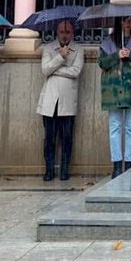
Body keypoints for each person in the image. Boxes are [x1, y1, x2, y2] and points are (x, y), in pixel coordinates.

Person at [99, 16, 131, 177]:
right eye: (124, 21)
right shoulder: (108, 42)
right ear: (118, 23)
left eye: (130, 21)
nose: (127, 24)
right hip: (113, 90)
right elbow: (102, 62)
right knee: (115, 127)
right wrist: (116, 56)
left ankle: (129, 163)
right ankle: (116, 163)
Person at [38, 18, 83, 181]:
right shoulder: (49, 48)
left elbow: (76, 71)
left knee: (67, 137)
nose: (65, 35)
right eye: (62, 32)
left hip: (68, 100)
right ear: (57, 32)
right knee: (49, 137)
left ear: (72, 33)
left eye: (68, 32)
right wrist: (60, 58)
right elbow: (45, 70)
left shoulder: (78, 49)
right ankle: (49, 169)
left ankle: (64, 169)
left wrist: (56, 70)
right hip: (50, 100)